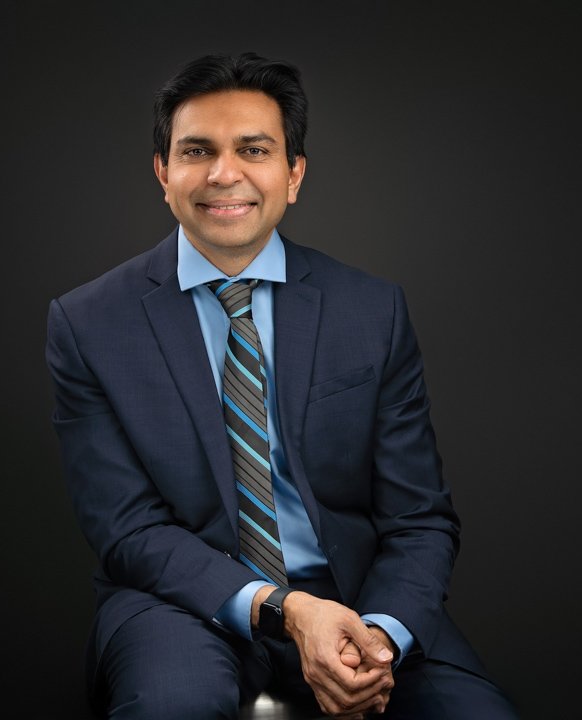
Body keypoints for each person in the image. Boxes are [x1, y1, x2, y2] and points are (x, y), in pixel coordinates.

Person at [45, 51, 520, 719]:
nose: (224, 173)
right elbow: (127, 530)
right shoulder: (88, 323)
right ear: (163, 172)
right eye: (197, 150)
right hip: (181, 603)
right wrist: (287, 611)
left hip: (357, 597)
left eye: (254, 149)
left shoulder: (370, 312)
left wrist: (377, 639)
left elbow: (420, 519)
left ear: (293, 174)